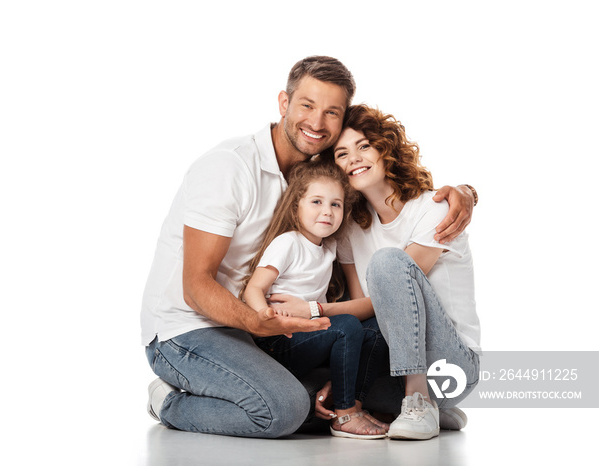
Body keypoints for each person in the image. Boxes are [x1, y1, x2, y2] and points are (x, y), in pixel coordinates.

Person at [141, 56, 476, 438]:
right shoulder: (229, 167)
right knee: (284, 412)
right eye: (306, 105)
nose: (317, 123)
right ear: (283, 104)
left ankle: (416, 403)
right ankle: (169, 401)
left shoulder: (321, 186)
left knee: (327, 392)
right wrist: (260, 323)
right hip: (188, 330)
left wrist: (466, 192)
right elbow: (195, 285)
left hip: (256, 335)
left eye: (331, 112)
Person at [317, 104, 481, 440]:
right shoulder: (350, 229)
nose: (354, 159)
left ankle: (419, 400)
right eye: (342, 153)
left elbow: (383, 301)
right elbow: (365, 319)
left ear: (385, 148)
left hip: (450, 363)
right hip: (393, 365)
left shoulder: (434, 208)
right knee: (309, 393)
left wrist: (314, 312)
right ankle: (424, 407)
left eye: (364, 146)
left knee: (387, 262)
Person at [242, 161, 387, 439]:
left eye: (336, 205)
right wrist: (265, 317)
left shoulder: (330, 247)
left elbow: (358, 305)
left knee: (374, 328)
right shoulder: (289, 242)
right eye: (317, 201)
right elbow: (254, 288)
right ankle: (344, 416)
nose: (327, 212)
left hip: (312, 334)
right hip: (280, 341)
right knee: (345, 326)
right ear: (297, 205)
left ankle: (352, 402)